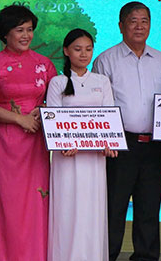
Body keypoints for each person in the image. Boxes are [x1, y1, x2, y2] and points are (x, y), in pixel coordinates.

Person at [0, 5, 56, 261]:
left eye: (29, 30)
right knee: (6, 203)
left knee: (35, 202)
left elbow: (56, 101)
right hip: (5, 143)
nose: (26, 35)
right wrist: (19, 119)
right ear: (5, 34)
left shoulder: (45, 65)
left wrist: (42, 111)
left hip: (35, 143)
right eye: (19, 30)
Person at [92, 1, 161, 261]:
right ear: (121, 26)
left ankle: (146, 257)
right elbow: (98, 105)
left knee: (149, 208)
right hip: (119, 145)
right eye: (133, 21)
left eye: (144, 21)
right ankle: (106, 255)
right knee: (114, 207)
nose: (139, 26)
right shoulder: (106, 60)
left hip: (154, 145)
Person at [46, 28, 116, 261]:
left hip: (94, 158)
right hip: (67, 157)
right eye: (77, 49)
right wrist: (64, 143)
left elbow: (108, 118)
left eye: (88, 49)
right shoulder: (57, 82)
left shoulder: (101, 81)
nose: (83, 54)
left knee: (91, 209)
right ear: (66, 51)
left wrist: (109, 143)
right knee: (67, 208)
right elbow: (54, 119)